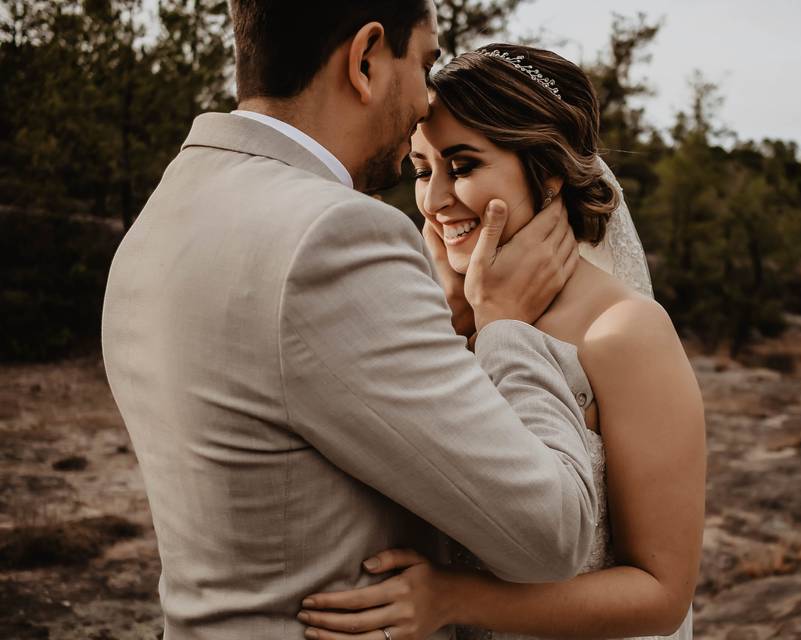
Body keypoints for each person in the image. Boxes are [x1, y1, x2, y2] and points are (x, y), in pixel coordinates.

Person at [100, 4, 603, 637]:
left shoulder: (165, 210)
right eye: (422, 62)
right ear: (366, 59)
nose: (425, 99)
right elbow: (551, 535)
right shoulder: (333, 235)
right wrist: (505, 327)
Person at [297, 44, 705, 640]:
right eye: (421, 169)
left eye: (462, 167)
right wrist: (458, 324)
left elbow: (661, 594)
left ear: (548, 170)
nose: (434, 201)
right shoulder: (436, 318)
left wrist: (453, 599)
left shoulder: (625, 334)